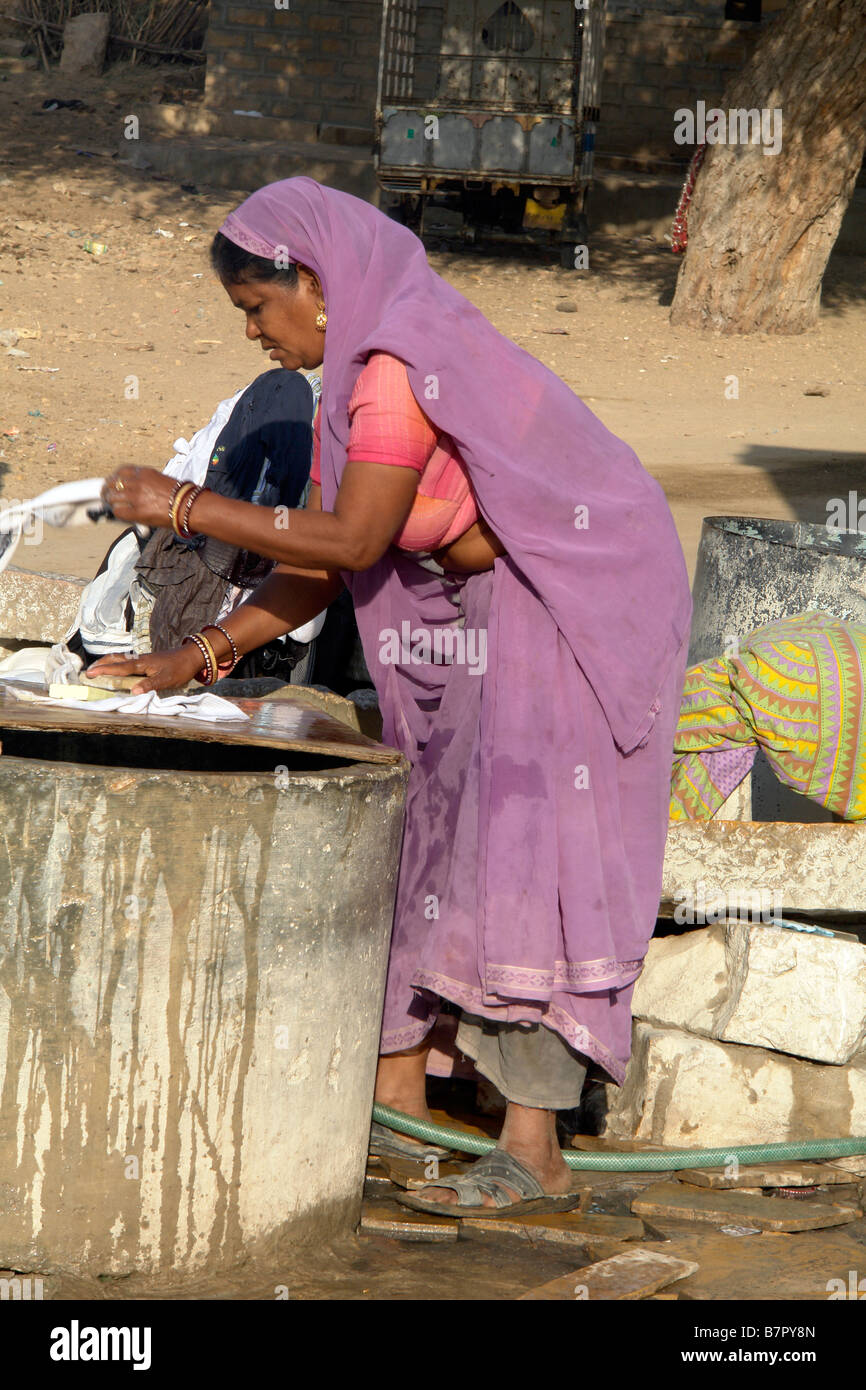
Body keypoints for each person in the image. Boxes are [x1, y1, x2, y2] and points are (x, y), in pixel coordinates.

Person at [90, 177, 692, 1217]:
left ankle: (533, 1145)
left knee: (524, 851)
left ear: (315, 285)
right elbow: (324, 569)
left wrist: (182, 503)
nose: (252, 333)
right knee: (424, 833)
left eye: (255, 309)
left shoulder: (397, 367)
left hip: (562, 604)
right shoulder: (359, 380)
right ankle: (398, 1103)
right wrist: (184, 660)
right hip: (476, 605)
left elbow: (353, 542)